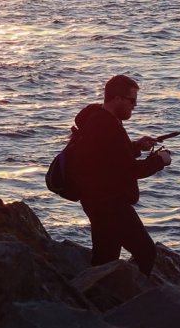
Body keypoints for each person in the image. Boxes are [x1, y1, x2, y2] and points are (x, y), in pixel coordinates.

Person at [71, 74, 171, 275]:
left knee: (105, 257)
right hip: (110, 203)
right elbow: (130, 170)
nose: (134, 106)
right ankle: (138, 301)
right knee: (146, 252)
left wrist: (136, 146)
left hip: (94, 198)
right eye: (132, 100)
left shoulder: (98, 118)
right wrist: (160, 161)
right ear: (117, 99)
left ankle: (95, 299)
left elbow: (109, 156)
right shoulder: (107, 126)